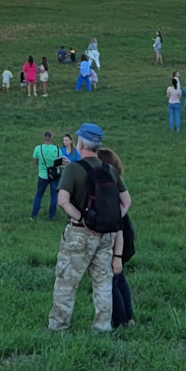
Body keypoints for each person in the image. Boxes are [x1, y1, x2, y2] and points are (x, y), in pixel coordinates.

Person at [49, 124, 129, 331]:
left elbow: (63, 201)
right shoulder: (109, 169)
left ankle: (58, 326)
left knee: (66, 282)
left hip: (79, 235)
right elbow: (126, 201)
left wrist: (83, 220)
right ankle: (102, 327)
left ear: (81, 143)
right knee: (102, 283)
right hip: (107, 235)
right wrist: (109, 219)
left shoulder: (74, 169)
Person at [31, 132, 63, 220]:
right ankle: (51, 216)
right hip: (55, 175)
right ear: (52, 138)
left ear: (44, 138)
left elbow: (35, 161)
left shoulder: (38, 148)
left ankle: (34, 215)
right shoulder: (57, 149)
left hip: (43, 175)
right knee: (53, 196)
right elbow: (60, 163)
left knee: (39, 194)